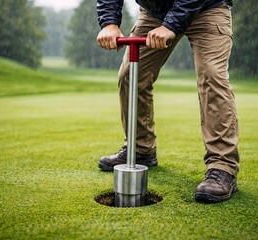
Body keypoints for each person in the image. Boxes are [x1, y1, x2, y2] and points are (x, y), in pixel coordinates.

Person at [96, 0, 239, 203]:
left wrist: (171, 25)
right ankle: (141, 149)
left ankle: (223, 166)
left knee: (212, 76)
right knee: (130, 75)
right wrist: (109, 22)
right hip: (155, 12)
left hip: (207, 8)